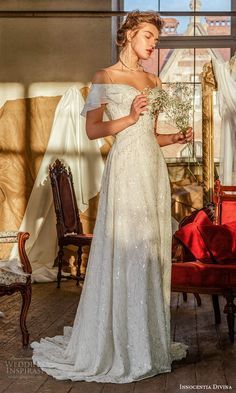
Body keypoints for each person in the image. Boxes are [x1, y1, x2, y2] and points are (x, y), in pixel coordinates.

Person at [31, 10, 193, 384]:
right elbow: (93, 131)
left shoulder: (153, 79)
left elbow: (151, 137)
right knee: (126, 247)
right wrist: (129, 118)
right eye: (149, 36)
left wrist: (176, 139)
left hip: (152, 169)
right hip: (124, 170)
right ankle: (119, 343)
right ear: (130, 35)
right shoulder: (103, 77)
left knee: (149, 249)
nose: (154, 44)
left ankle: (146, 343)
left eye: (156, 38)